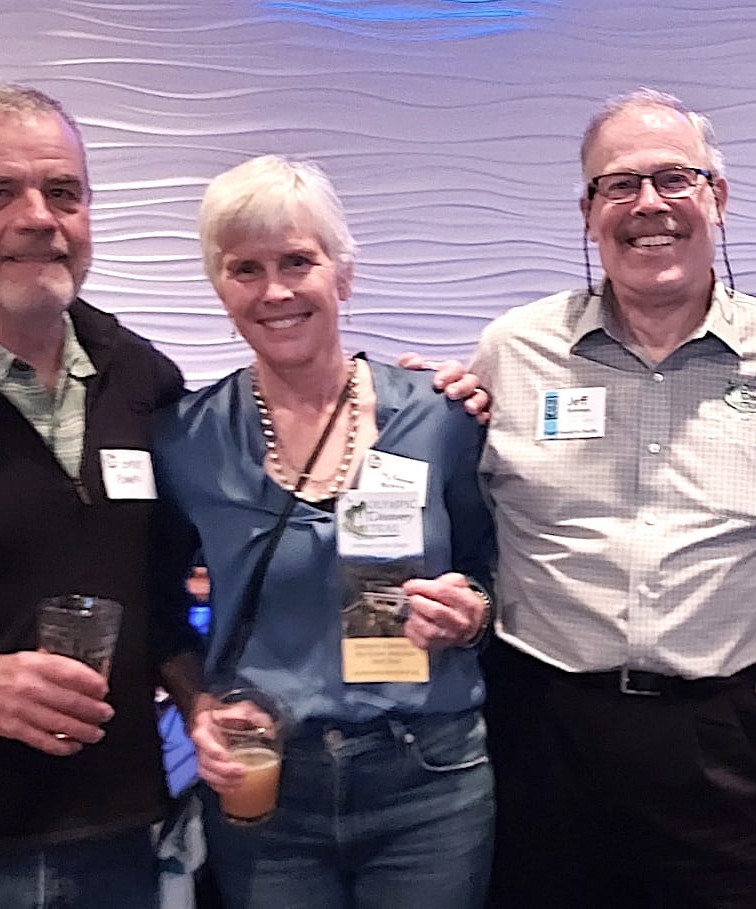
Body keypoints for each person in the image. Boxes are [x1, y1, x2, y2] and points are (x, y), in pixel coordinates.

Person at [467, 88, 756, 909]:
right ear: (588, 213)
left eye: (675, 178)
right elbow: (462, 519)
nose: (649, 205)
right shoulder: (513, 352)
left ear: (718, 199)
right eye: (619, 184)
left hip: (725, 745)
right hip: (545, 734)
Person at [152, 155, 495, 908]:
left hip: (428, 782)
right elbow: (155, 606)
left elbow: (489, 567)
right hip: (267, 783)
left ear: (343, 274)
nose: (274, 291)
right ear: (220, 287)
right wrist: (196, 702)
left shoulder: (440, 417)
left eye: (297, 262)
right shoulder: (185, 440)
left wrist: (471, 611)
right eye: (245, 269)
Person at [0, 79, 206, 906]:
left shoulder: (141, 377)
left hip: (123, 842)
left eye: (63, 192)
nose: (39, 217)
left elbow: (163, 595)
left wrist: (201, 700)